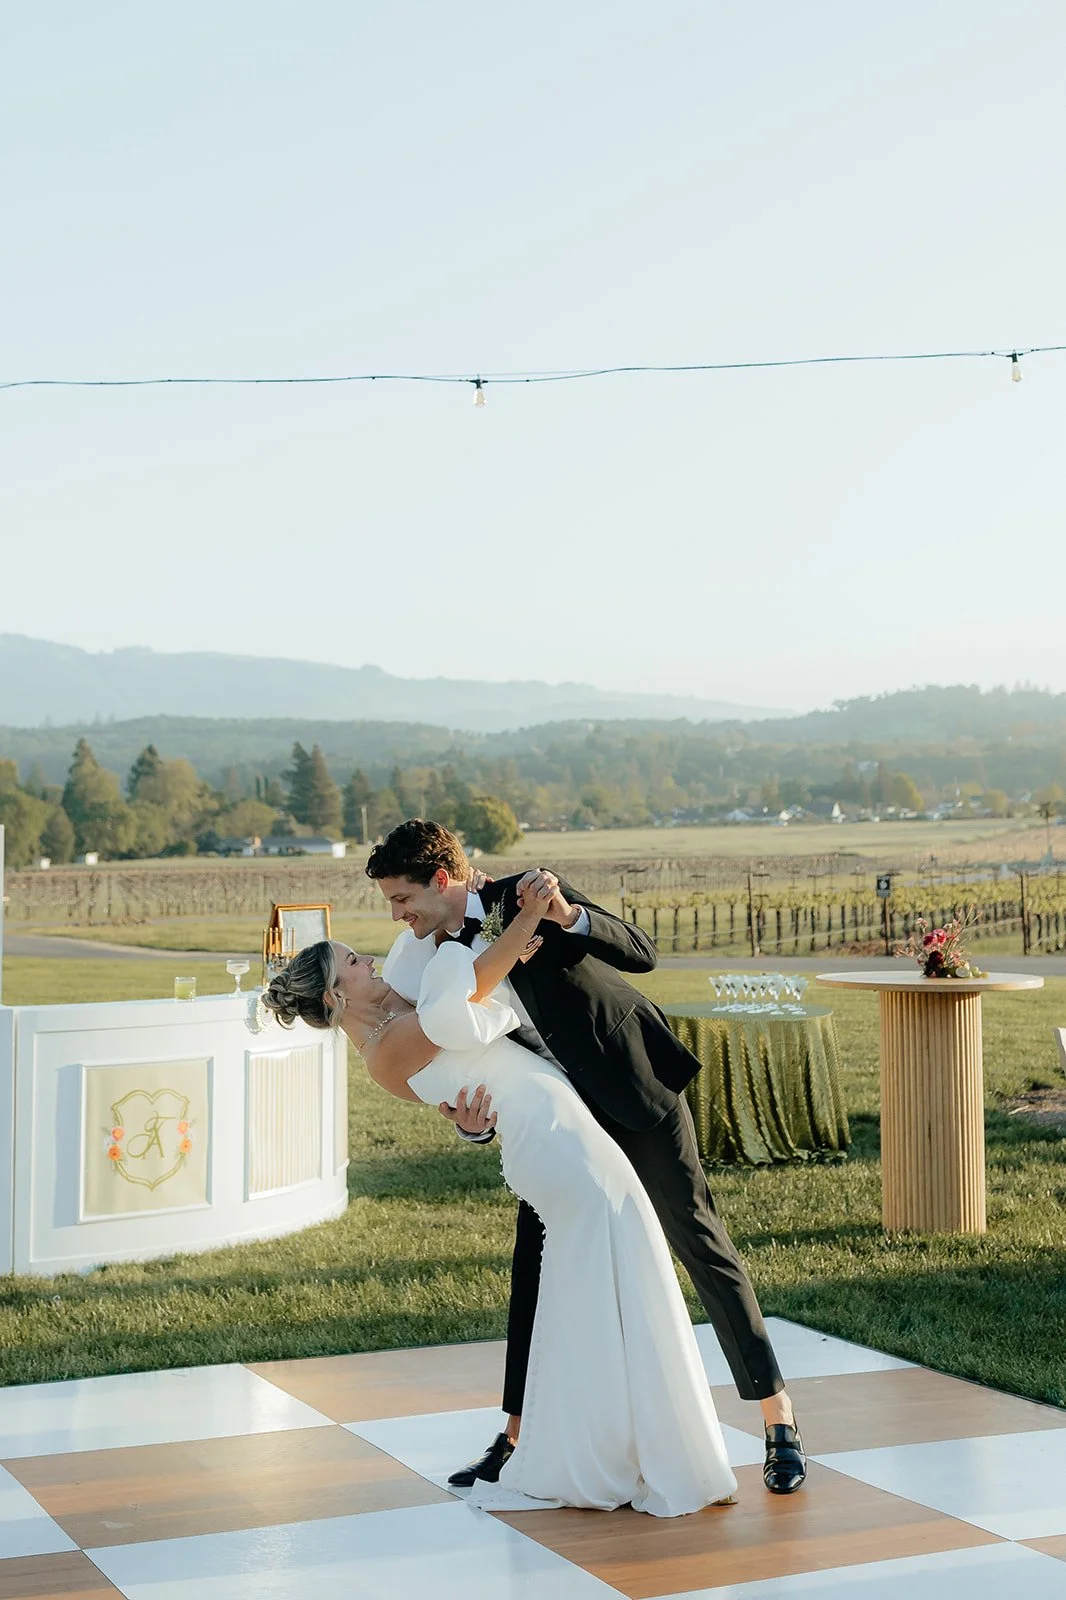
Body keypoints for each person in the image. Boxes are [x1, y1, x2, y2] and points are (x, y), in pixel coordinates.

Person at [261, 873, 737, 1517]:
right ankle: (613, 1452)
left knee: (600, 1284)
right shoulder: (389, 1046)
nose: (366, 957)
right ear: (334, 996)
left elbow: (460, 1089)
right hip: (558, 1148)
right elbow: (469, 997)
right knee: (613, 1275)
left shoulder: (397, 1014)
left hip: (562, 1132)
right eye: (351, 961)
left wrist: (466, 1122)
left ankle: (614, 1445)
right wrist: (522, 921)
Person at [366, 819, 806, 1496]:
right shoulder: (427, 953)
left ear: (443, 880)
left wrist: (569, 916)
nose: (398, 915)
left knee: (698, 1241)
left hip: (632, 1088)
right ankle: (515, 1438)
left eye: (403, 899)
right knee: (533, 1266)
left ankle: (779, 1422)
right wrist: (470, 1126)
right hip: (557, 1123)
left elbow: (641, 953)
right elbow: (443, 1056)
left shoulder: (529, 893)